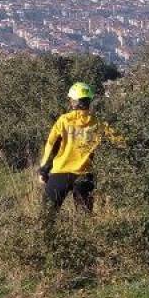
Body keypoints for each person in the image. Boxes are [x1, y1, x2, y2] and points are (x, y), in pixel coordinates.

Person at [37, 82, 106, 215]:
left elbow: (52, 146)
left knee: (46, 218)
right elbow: (118, 142)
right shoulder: (99, 123)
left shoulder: (64, 120)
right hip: (85, 175)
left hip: (60, 173)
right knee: (84, 221)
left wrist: (44, 170)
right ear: (89, 101)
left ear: (74, 102)